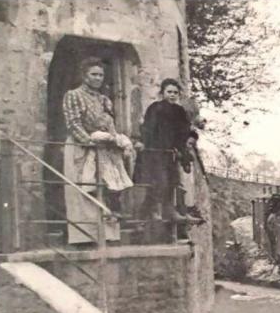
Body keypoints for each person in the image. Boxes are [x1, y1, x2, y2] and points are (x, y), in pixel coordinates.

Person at [62, 57, 134, 244]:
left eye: (101, 75)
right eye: (93, 74)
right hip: (82, 147)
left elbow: (110, 124)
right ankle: (85, 237)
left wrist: (115, 139)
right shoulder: (74, 95)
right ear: (85, 76)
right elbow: (73, 124)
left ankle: (108, 235)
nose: (97, 78)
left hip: (105, 148)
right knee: (85, 188)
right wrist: (90, 141)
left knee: (109, 186)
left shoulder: (104, 99)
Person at [137, 78, 192, 221]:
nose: (172, 95)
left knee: (173, 182)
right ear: (162, 93)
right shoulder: (155, 108)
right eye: (169, 92)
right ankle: (152, 209)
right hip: (155, 151)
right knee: (159, 181)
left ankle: (169, 210)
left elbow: (184, 131)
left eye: (175, 92)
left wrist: (184, 148)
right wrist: (145, 143)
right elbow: (148, 128)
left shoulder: (180, 111)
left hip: (170, 153)